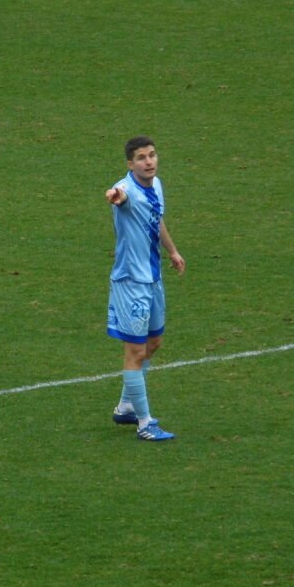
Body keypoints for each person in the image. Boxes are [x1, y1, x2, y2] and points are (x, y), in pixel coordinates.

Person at [105, 135, 186, 441]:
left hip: (153, 280)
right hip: (130, 283)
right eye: (141, 157)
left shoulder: (156, 185)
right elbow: (119, 195)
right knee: (136, 351)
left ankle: (126, 406)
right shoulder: (126, 190)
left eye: (152, 155)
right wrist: (114, 195)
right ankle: (144, 423)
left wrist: (172, 251)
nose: (149, 161)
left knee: (154, 343)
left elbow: (157, 219)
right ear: (130, 164)